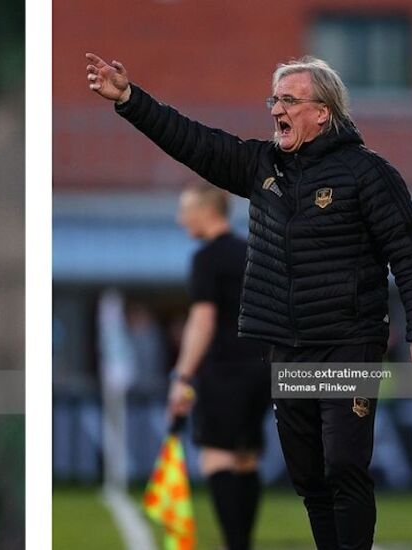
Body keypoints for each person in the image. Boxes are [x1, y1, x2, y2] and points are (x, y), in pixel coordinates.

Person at [86, 53, 412, 550]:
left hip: (347, 341)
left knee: (344, 462)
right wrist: (129, 99)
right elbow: (194, 142)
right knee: (309, 474)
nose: (277, 108)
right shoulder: (262, 166)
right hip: (285, 345)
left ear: (323, 112)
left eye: (290, 100)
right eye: (274, 99)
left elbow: (411, 253)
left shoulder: (368, 173)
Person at [168, 184, 269, 550]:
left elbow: (203, 320)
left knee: (216, 457)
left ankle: (236, 544)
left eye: (185, 210)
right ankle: (243, 542)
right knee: (246, 457)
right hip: (261, 369)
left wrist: (182, 376)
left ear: (207, 211)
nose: (181, 219)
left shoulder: (207, 258)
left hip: (225, 370)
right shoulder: (252, 252)